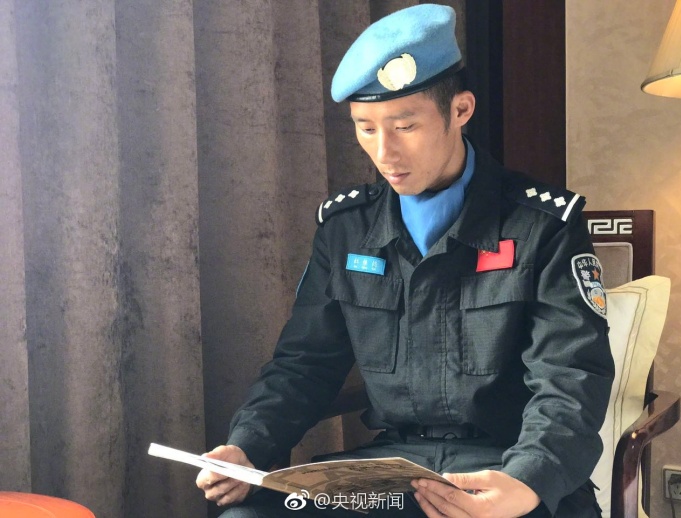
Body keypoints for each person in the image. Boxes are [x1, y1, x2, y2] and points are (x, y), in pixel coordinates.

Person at [196, 4, 614, 517]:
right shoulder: (346, 228)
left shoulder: (544, 225)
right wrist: (248, 446)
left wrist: (527, 480)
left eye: (405, 125)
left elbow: (571, 376)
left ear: (460, 110)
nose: (384, 152)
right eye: (366, 128)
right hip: (389, 475)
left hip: (506, 467)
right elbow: (303, 364)